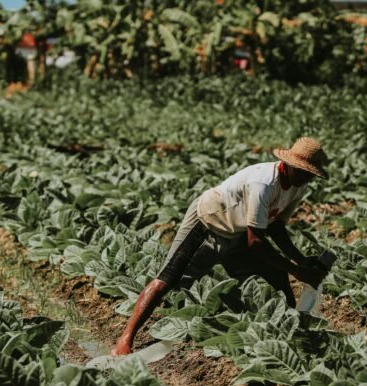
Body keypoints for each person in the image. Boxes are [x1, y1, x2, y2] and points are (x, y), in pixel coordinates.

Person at [111, 137, 329, 355]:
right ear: (287, 164)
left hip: (238, 230)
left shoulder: (298, 185)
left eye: (309, 174)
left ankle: (293, 331)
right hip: (207, 221)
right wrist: (297, 271)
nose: (305, 177)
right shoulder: (263, 184)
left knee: (277, 275)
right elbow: (256, 242)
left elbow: (276, 226)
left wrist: (300, 261)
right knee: (168, 279)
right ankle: (125, 340)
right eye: (301, 171)